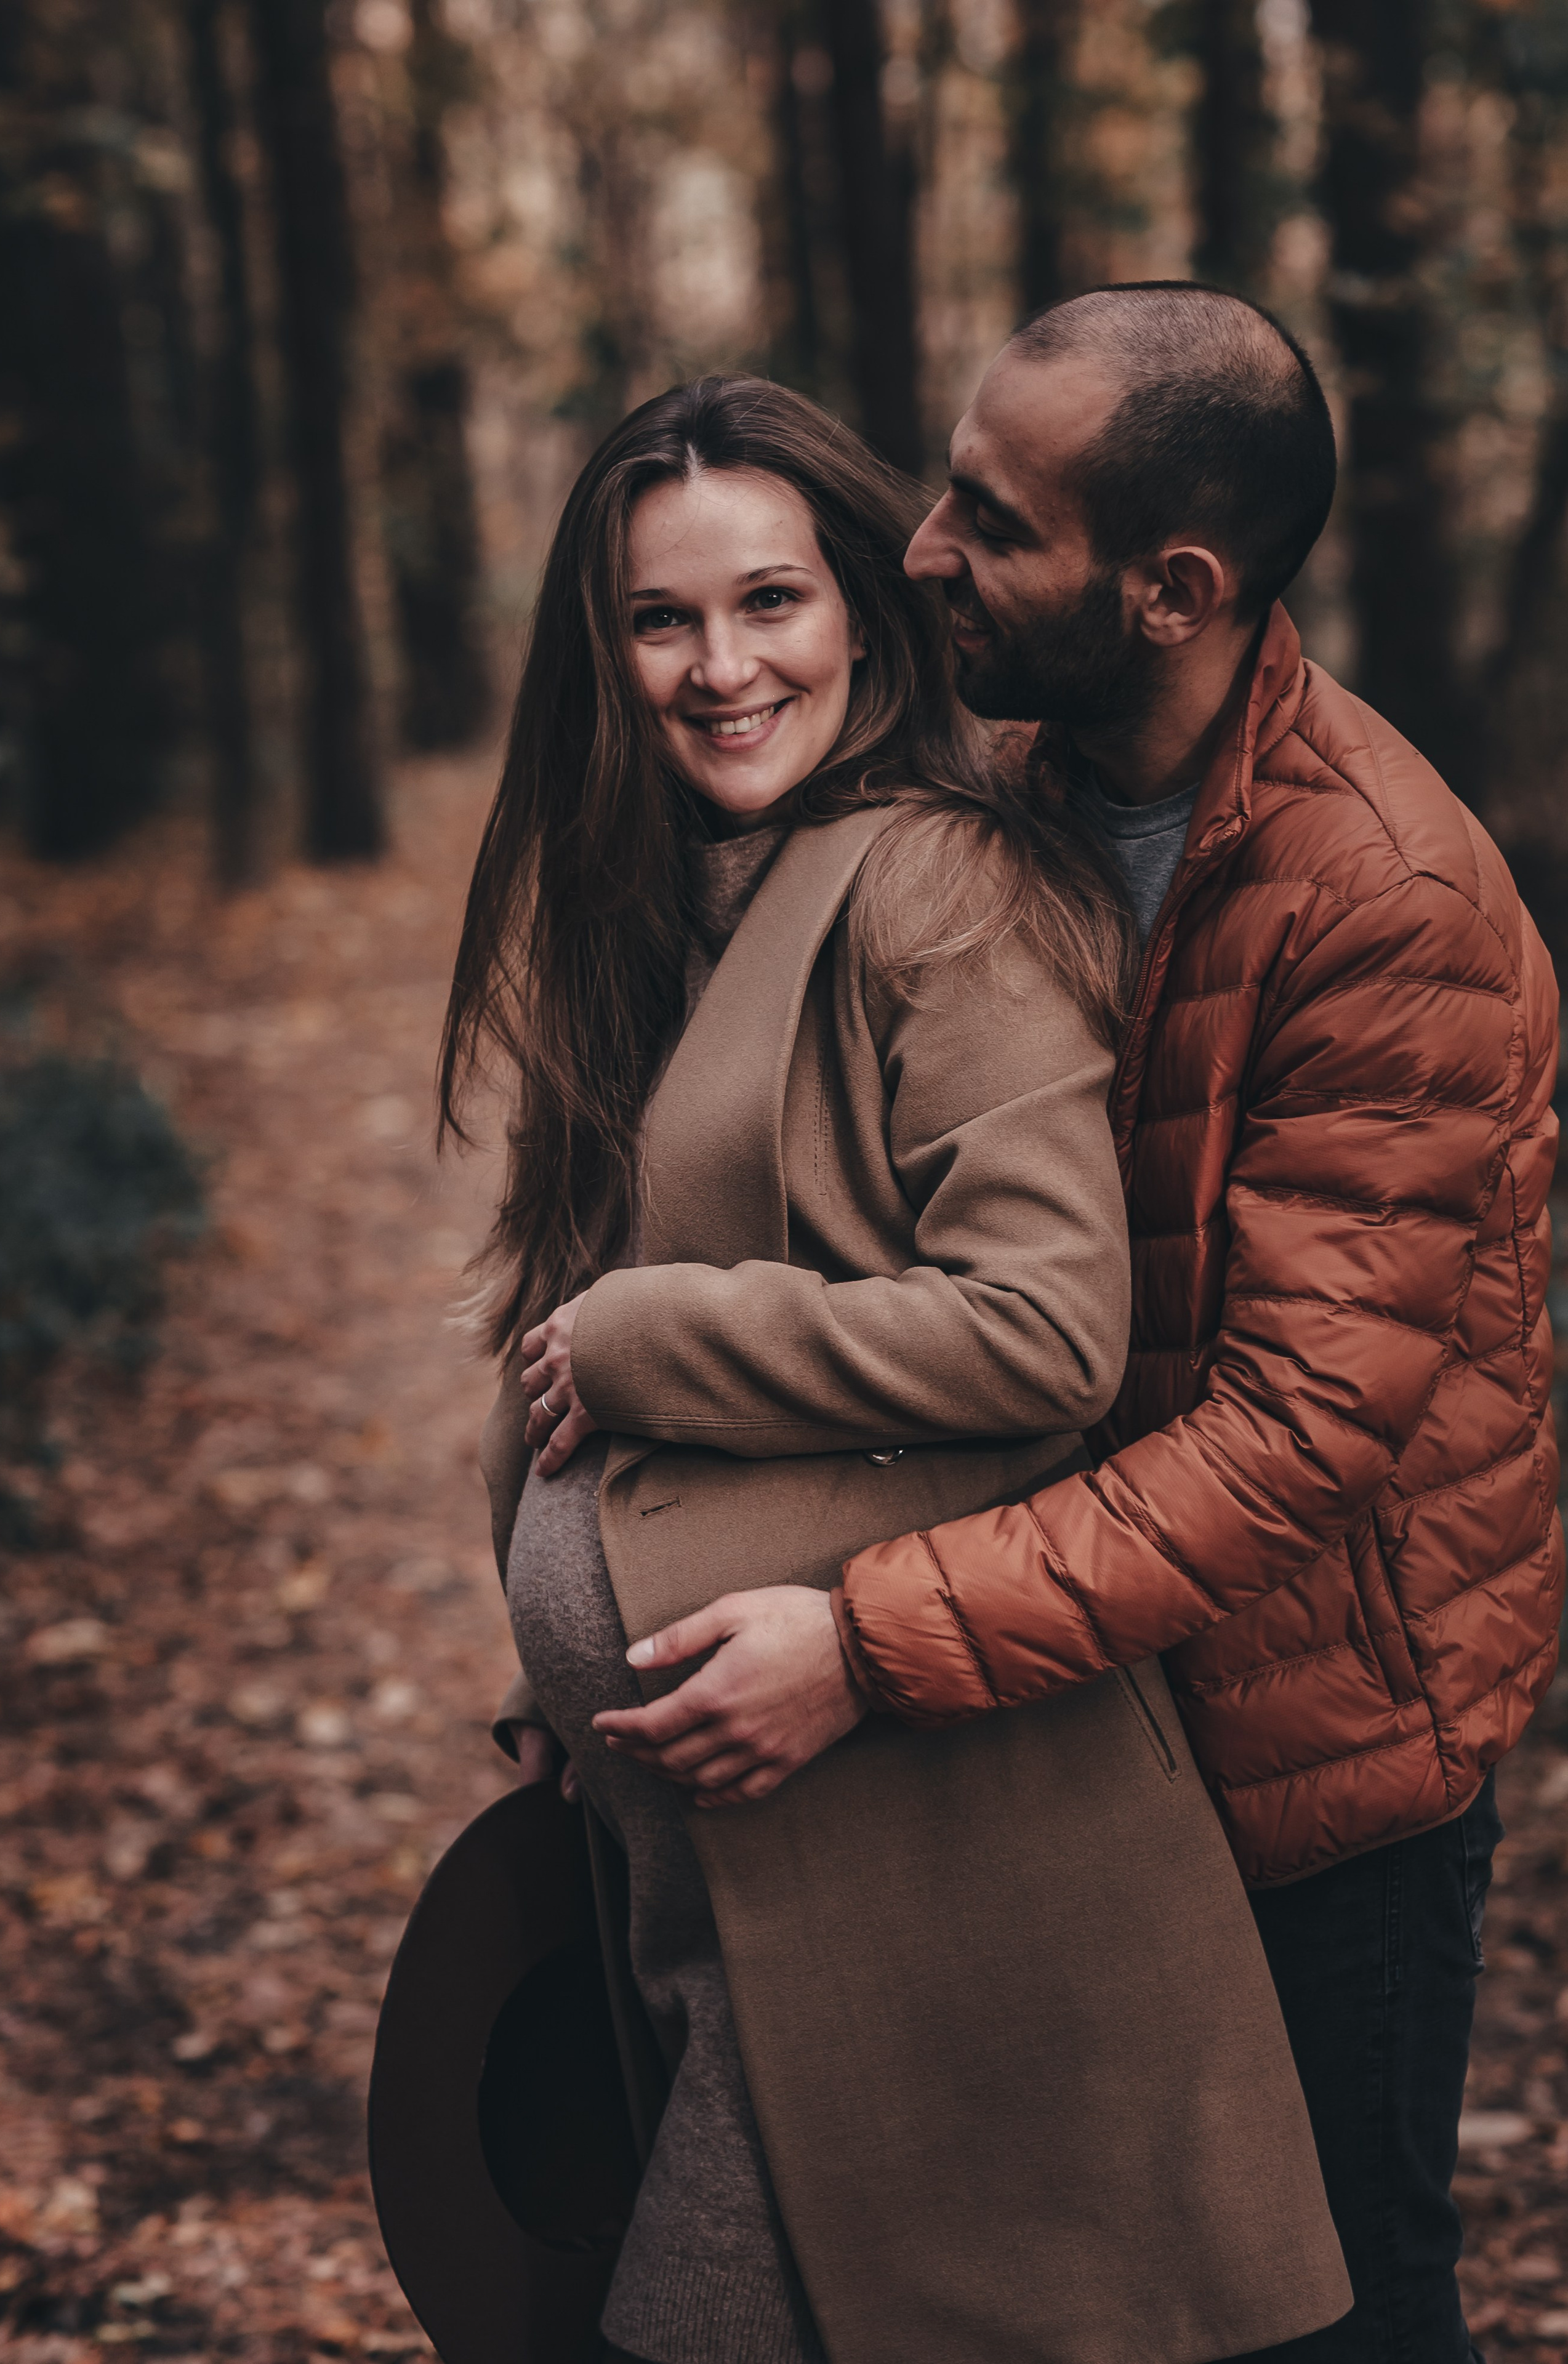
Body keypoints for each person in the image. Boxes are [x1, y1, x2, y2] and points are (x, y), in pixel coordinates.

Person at [603, 291, 1564, 2363]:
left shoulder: (1385, 904)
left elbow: (1294, 1441)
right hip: (1059, 1721)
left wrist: (864, 1644)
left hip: (1316, 1746)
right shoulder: (1001, 792)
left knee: (1335, 2311)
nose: (924, 547)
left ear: (1172, 590)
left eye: (991, 518)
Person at [443, 372, 1352, 2364]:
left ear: (861, 605)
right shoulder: (680, 899)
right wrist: (552, 1680)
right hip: (721, 1876)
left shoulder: (932, 885)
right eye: (660, 619)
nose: (717, 666)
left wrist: (645, 1342)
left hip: (928, 1866)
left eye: (770, 602)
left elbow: (1040, 1329)